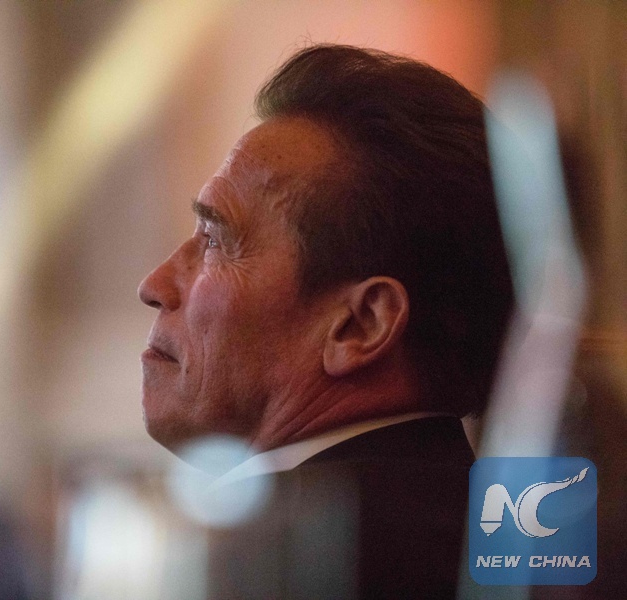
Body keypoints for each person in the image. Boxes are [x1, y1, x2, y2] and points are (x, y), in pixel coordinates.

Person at [138, 44, 514, 598]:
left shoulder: (257, 568)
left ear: (360, 325)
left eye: (216, 240)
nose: (154, 285)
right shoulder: (499, 538)